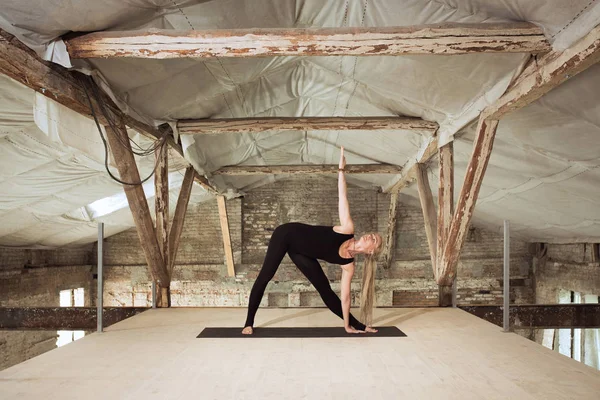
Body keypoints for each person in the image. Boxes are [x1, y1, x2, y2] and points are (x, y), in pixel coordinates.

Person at [242, 147, 383, 334]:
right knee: (266, 275)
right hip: (286, 234)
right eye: (371, 234)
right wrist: (341, 170)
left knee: (325, 291)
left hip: (301, 252)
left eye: (373, 239)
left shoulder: (349, 265)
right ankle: (248, 323)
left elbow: (346, 297)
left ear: (371, 251)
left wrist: (349, 325)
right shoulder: (348, 229)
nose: (369, 235)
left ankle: (357, 325)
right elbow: (343, 197)